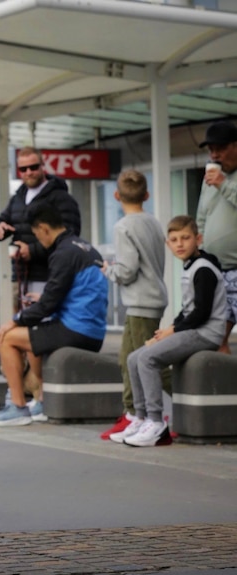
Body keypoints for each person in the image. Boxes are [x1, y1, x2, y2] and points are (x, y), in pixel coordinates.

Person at [0, 205, 108, 427]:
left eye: (37, 234)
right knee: (35, 332)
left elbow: (48, 305)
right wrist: (41, 300)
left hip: (77, 330)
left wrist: (14, 321)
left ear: (43, 228)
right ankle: (41, 400)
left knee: (8, 337)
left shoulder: (63, 253)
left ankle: (18, 407)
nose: (38, 240)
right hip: (92, 329)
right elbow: (67, 295)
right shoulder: (84, 247)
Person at [110, 215, 228, 446]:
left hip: (207, 332)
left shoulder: (204, 268)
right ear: (168, 244)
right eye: (174, 240)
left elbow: (201, 313)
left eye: (185, 238)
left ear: (198, 239)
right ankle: (140, 417)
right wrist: (166, 331)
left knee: (148, 359)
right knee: (134, 358)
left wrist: (172, 330)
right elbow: (187, 310)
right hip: (194, 329)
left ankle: (156, 423)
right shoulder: (192, 265)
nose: (180, 244)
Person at [99, 170, 169, 440]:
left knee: (147, 363)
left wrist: (109, 270)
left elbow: (127, 270)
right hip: (151, 299)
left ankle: (142, 414)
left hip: (141, 302)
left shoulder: (123, 226)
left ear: (116, 196)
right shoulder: (153, 222)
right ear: (147, 196)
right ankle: (135, 415)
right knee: (128, 359)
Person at [0, 147, 81, 310]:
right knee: (21, 327)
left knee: (44, 326)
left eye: (34, 167)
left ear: (42, 165)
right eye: (23, 169)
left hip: (50, 275)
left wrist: (32, 251)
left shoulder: (61, 198)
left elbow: (69, 235)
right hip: (20, 276)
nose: (29, 172)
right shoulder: (18, 197)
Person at [195, 120, 237, 353]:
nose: (215, 155)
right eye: (211, 150)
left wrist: (223, 184)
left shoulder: (221, 179)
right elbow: (203, 214)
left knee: (218, 335)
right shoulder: (211, 176)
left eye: (220, 148)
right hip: (216, 268)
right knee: (216, 336)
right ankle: (227, 388)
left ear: (235, 145)